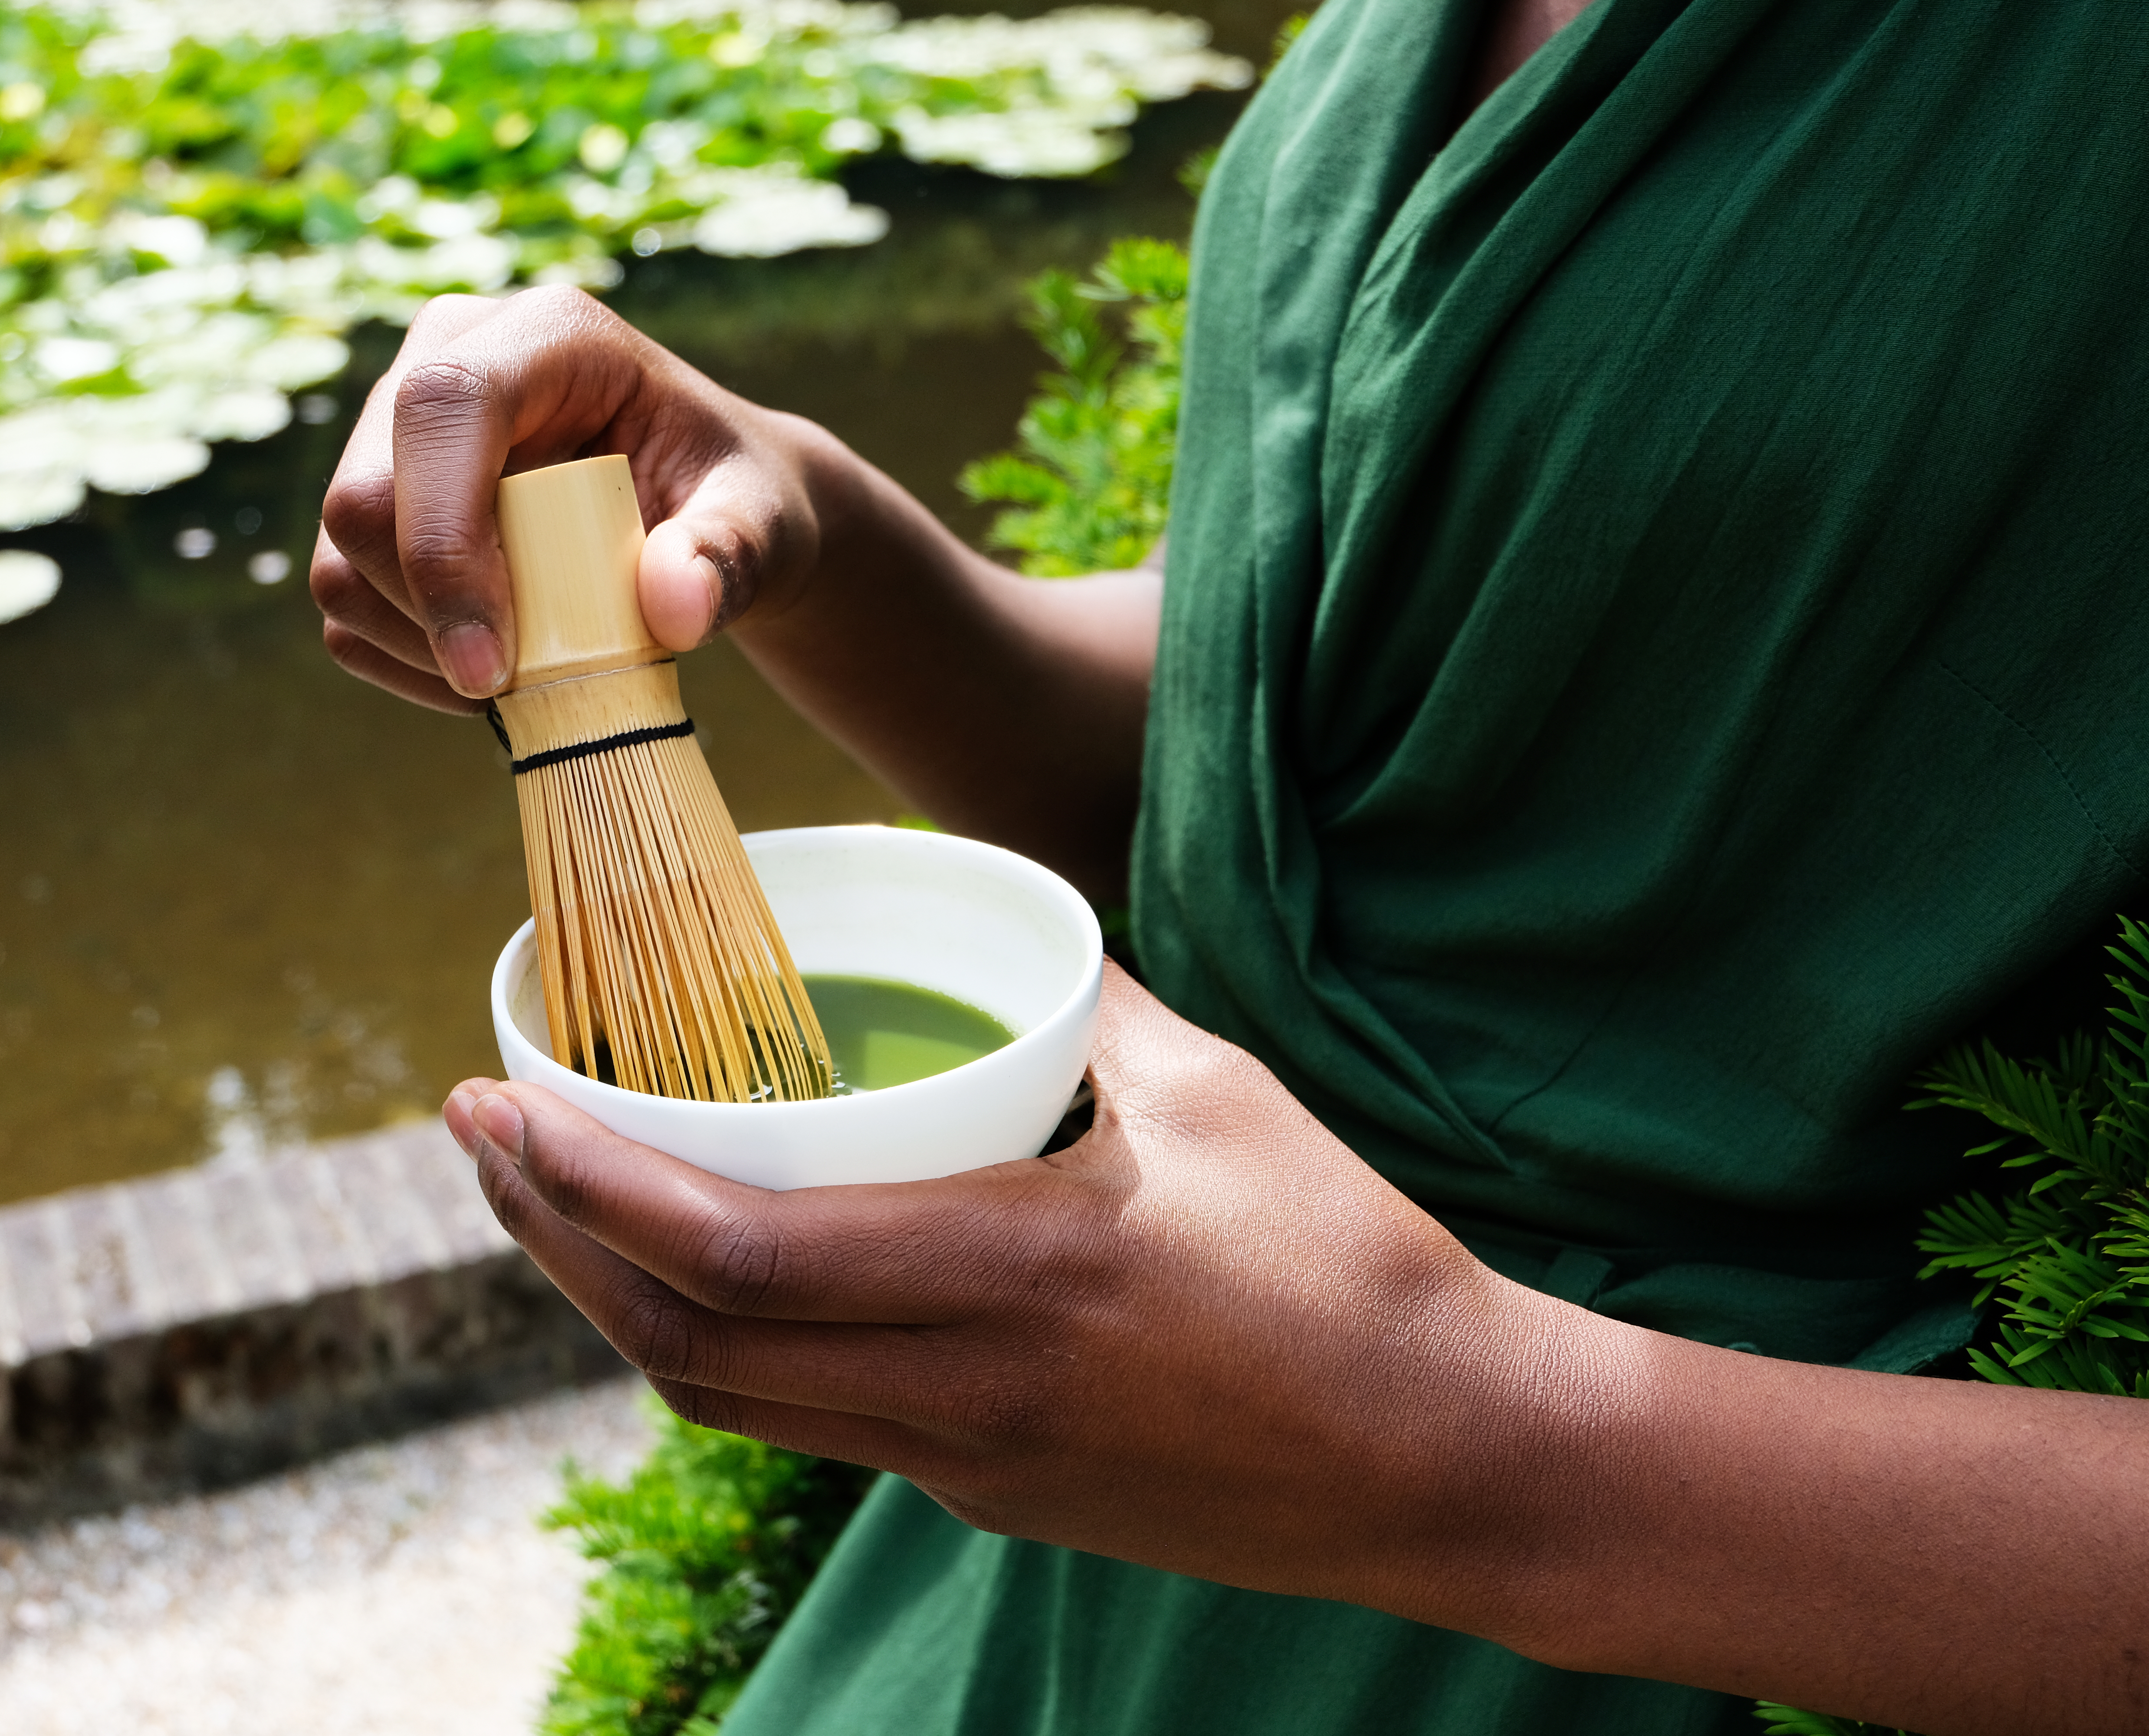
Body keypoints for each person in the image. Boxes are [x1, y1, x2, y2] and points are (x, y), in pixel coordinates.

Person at [309, 0, 2149, 1728]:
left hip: (1695, 1633)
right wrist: (818, 532)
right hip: (1038, 1581)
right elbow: (1360, 737)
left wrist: (1468, 1444)